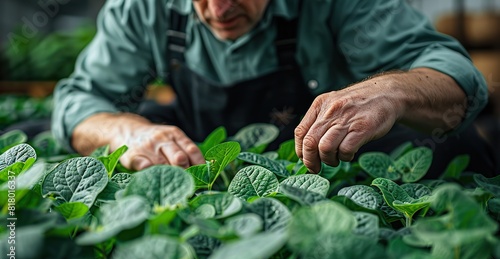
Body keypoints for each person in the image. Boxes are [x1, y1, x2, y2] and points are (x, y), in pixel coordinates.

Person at [52, 0, 497, 177]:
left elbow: (458, 78)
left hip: (329, 163)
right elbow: (77, 100)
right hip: (205, 152)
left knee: (454, 146)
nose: (220, 9)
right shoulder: (143, 9)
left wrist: (392, 92)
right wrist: (124, 131)